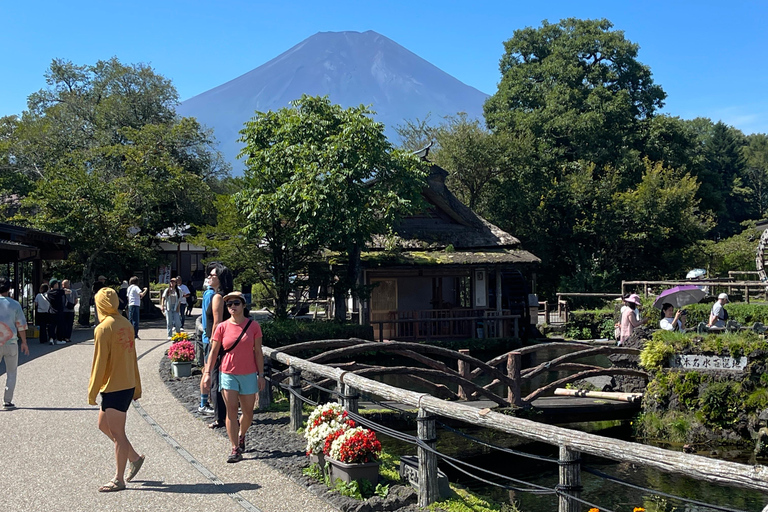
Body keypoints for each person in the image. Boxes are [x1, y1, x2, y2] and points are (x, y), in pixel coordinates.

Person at [88, 287, 144, 492]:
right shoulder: (125, 323)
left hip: (115, 386)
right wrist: (137, 387)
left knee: (118, 433)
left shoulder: (103, 328)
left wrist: (92, 391)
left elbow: (99, 363)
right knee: (104, 425)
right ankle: (134, 458)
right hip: (125, 384)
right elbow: (132, 359)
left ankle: (119, 479)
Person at [202, 290, 264, 463]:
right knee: (231, 411)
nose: (232, 307)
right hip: (228, 373)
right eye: (229, 304)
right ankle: (235, 447)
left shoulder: (253, 326)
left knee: (248, 412)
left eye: (236, 303)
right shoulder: (222, 327)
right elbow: (213, 352)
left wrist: (261, 375)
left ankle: (241, 434)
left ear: (243, 305)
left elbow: (258, 352)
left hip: (249, 373)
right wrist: (207, 373)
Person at [200, 262, 233, 428]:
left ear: (219, 279)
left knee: (215, 379)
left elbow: (217, 322)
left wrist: (213, 344)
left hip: (218, 344)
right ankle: (225, 415)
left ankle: (220, 417)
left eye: (212, 275)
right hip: (226, 343)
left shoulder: (218, 297)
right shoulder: (228, 295)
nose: (209, 278)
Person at [0, 277, 29, 409]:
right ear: (9, 289)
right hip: (11, 342)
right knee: (11, 372)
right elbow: (21, 325)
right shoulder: (15, 304)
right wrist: (24, 342)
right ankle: (7, 400)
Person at [197, 276, 216, 414]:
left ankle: (205, 402)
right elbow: (211, 317)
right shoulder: (211, 294)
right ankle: (204, 403)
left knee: (207, 369)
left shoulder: (207, 293)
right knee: (208, 370)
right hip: (209, 338)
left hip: (206, 337)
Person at [46, 279, 67, 345]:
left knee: (52, 326)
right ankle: (59, 339)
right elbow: (68, 292)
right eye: (57, 284)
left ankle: (51, 339)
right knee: (59, 326)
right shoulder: (59, 292)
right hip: (59, 311)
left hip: (51, 311)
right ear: (54, 285)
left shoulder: (49, 293)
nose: (58, 285)